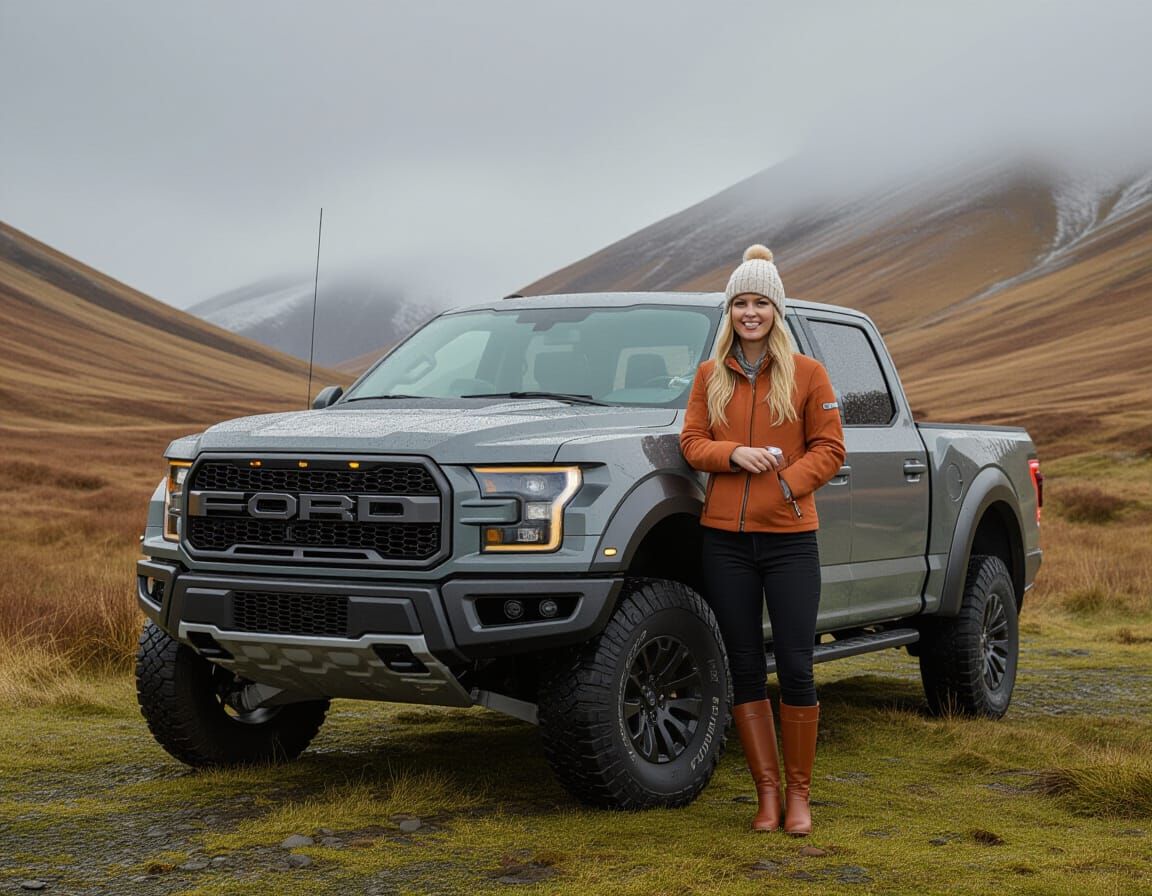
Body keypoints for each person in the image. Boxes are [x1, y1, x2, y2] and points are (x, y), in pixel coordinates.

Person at [680, 245, 846, 835]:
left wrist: (783, 485)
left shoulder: (808, 374)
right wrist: (733, 455)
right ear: (730, 311)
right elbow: (692, 443)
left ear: (776, 310)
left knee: (797, 665)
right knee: (744, 666)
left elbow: (830, 449)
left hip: (791, 541)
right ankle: (767, 796)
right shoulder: (709, 376)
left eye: (761, 303)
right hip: (724, 542)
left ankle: (800, 797)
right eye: (741, 303)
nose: (751, 313)